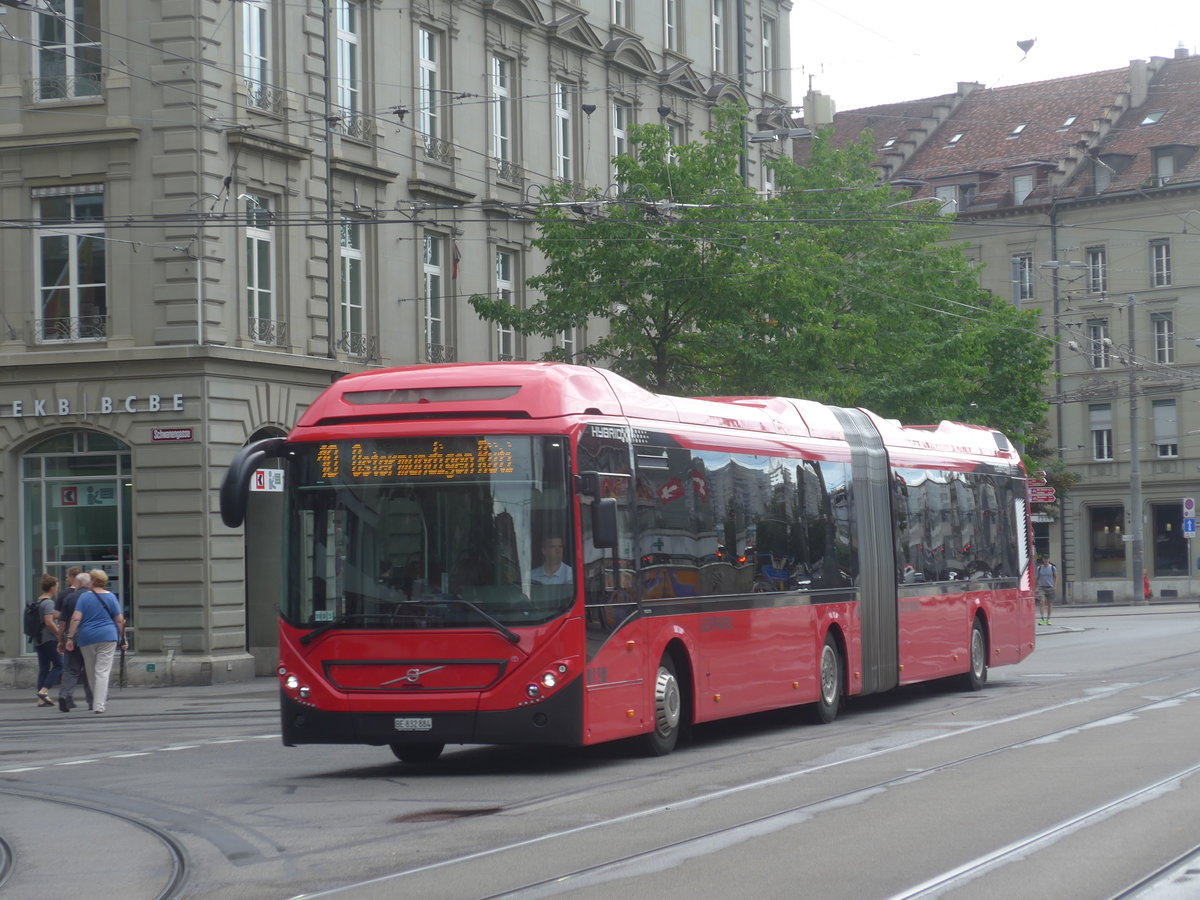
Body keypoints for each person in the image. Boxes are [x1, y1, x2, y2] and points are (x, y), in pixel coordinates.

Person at [64, 569, 126, 715]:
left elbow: (76, 618)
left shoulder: (84, 598)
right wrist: (124, 638)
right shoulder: (111, 597)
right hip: (108, 636)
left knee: (91, 672)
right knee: (102, 671)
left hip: (87, 637)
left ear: (92, 581)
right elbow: (119, 620)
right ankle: (99, 704)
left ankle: (97, 702)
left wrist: (70, 638)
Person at [56, 568, 94, 712]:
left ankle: (65, 695)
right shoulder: (94, 596)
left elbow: (63, 622)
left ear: (77, 582)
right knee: (89, 670)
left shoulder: (69, 598)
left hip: (72, 637)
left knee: (70, 669)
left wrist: (60, 640)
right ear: (88, 583)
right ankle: (92, 701)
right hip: (90, 637)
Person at [33, 574, 63, 707]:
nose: (57, 589)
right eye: (56, 587)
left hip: (38, 639)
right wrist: (59, 634)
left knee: (44, 668)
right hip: (49, 639)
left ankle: (40, 699)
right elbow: (49, 622)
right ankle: (44, 691)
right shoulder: (49, 602)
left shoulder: (37, 601)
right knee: (59, 665)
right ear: (51, 588)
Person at [1035, 555, 1057, 626]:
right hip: (1042, 588)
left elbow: (1055, 576)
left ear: (1049, 560)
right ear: (1043, 560)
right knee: (1042, 602)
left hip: (1050, 587)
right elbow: (1037, 578)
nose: (1046, 560)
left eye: (1047, 559)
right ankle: (1042, 619)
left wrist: (1054, 585)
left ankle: (1049, 619)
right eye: (1045, 559)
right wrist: (1035, 587)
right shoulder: (1039, 568)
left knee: (1049, 604)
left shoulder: (1052, 568)